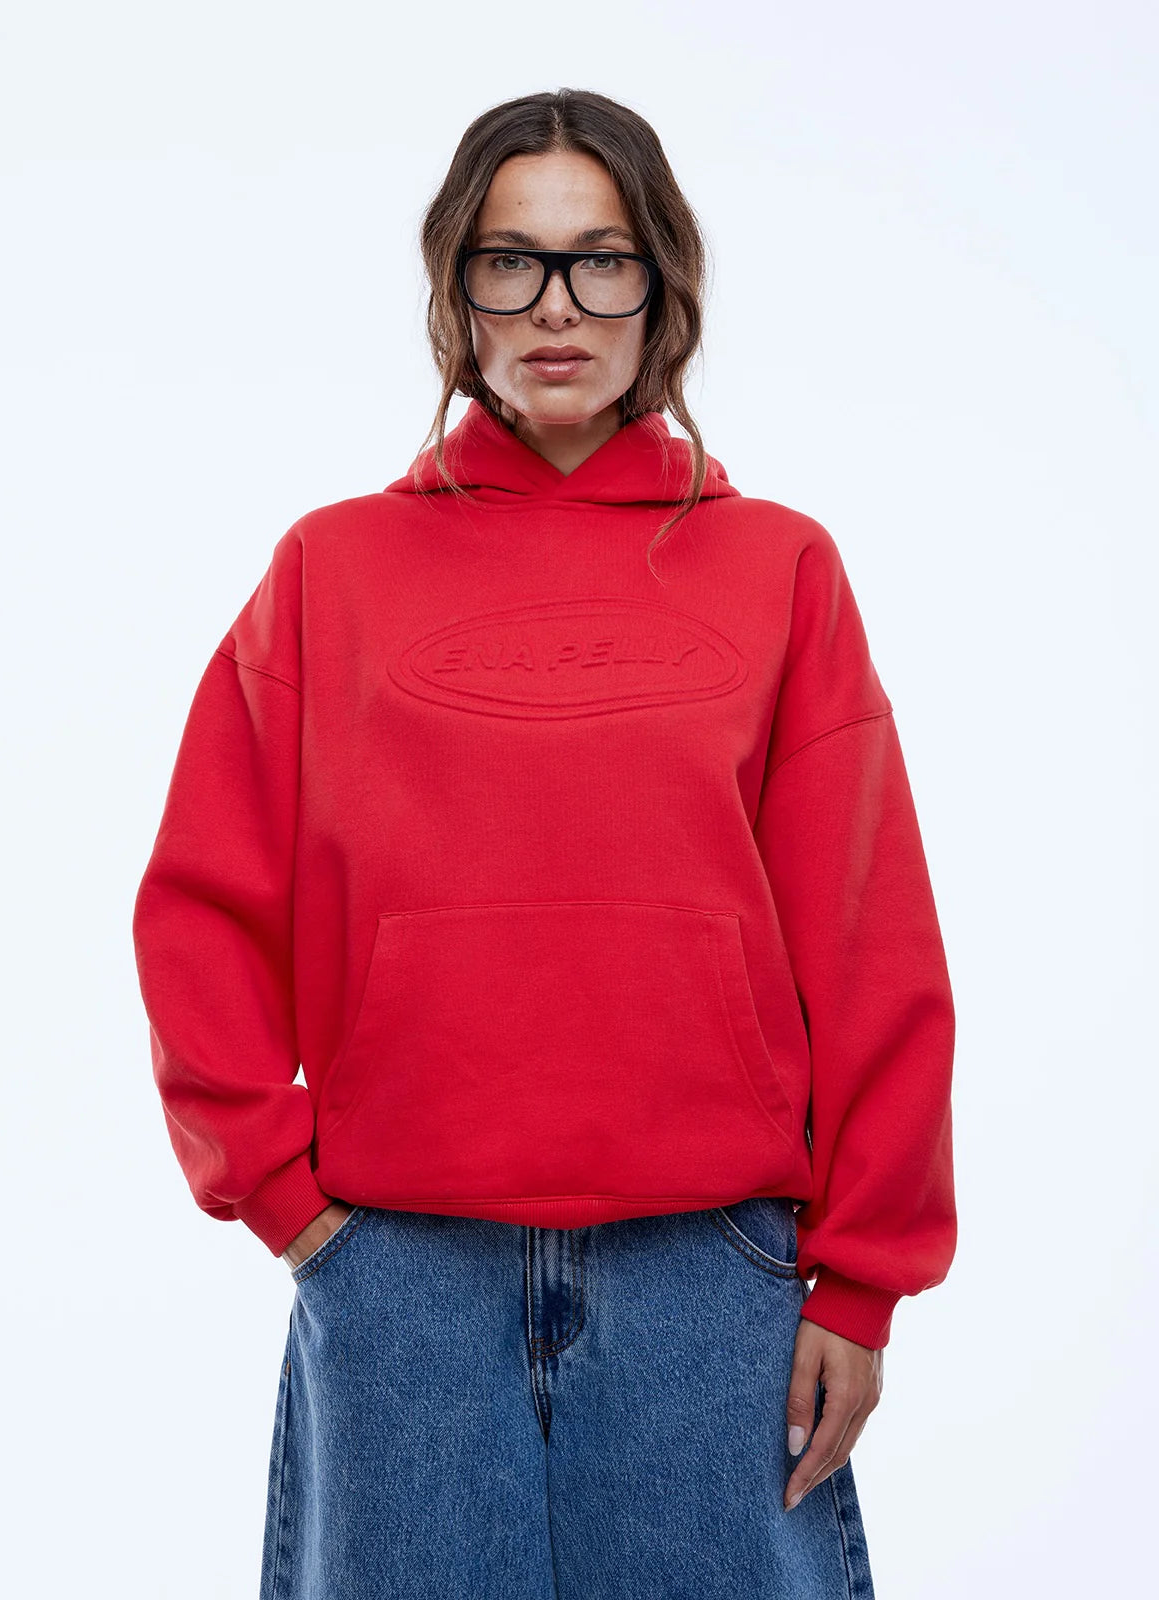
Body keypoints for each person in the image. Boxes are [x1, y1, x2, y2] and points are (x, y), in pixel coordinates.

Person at [132, 87, 956, 1599]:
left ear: (664, 288)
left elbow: (869, 935)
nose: (557, 305)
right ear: (457, 291)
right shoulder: (333, 568)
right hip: (401, 1272)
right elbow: (201, 905)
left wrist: (865, 1278)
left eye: (602, 259)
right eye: (511, 261)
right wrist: (291, 1207)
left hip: (714, 1274)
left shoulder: (778, 567)